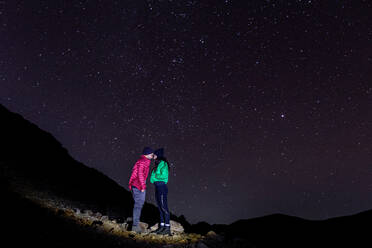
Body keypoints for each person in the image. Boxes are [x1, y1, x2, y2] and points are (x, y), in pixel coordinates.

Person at [128, 146, 154, 233]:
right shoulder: (144, 161)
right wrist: (143, 186)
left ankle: (134, 221)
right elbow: (140, 174)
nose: (152, 155)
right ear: (147, 154)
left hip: (135, 185)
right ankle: (135, 226)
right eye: (151, 154)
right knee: (139, 204)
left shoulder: (144, 160)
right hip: (139, 186)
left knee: (138, 204)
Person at [150, 148, 171, 235]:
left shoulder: (164, 164)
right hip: (157, 187)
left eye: (154, 155)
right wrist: (154, 177)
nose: (152, 156)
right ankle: (161, 227)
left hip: (162, 187)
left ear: (158, 155)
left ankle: (167, 227)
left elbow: (164, 176)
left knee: (164, 207)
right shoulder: (157, 164)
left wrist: (155, 175)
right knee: (159, 208)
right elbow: (151, 179)